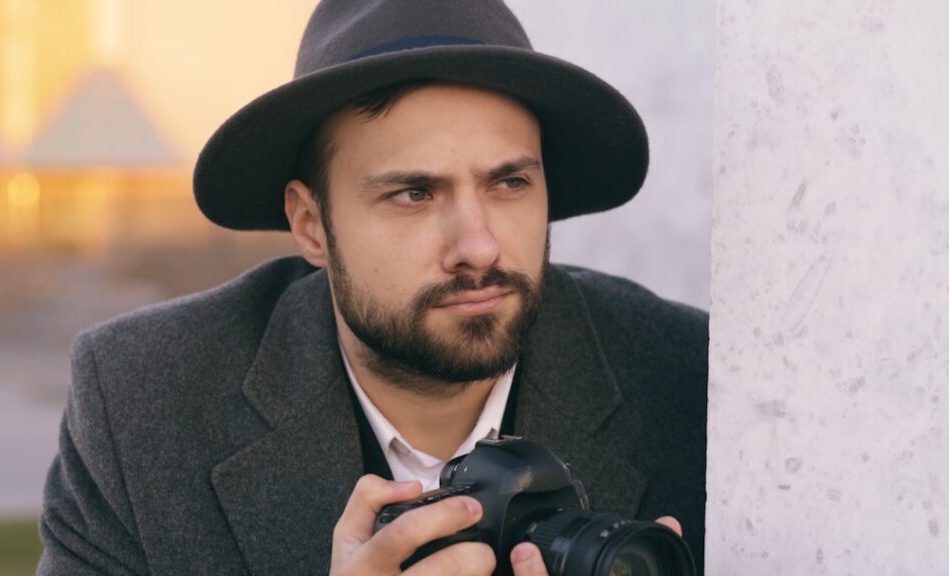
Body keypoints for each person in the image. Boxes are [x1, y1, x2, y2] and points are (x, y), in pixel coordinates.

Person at [37, 1, 708, 574]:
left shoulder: (695, 388)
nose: (478, 246)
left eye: (509, 183)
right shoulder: (143, 402)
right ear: (311, 227)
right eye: (413, 193)